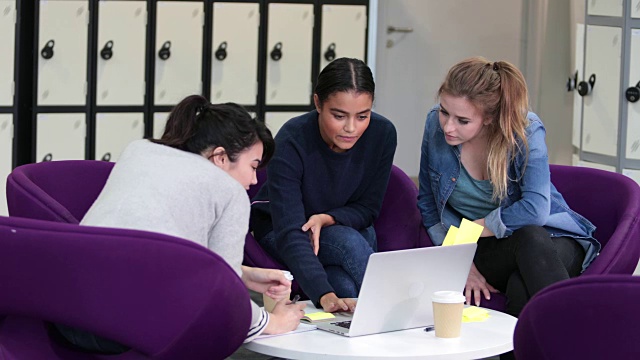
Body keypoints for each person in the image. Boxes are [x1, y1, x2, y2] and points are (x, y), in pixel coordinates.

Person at [56, 95, 306, 354]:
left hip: (65, 311)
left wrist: (245, 276)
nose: (255, 180)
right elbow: (225, 298)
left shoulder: (139, 151)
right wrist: (274, 322)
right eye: (253, 166)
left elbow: (164, 252)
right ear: (220, 157)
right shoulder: (229, 191)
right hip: (121, 328)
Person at [418, 57, 601, 319]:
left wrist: (470, 230)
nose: (448, 126)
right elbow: (427, 203)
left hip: (552, 238)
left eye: (462, 120)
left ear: (489, 118)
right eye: (444, 112)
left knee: (523, 274)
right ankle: (582, 344)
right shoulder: (434, 125)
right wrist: (459, 261)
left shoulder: (525, 130)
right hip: (486, 248)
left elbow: (535, 211)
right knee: (527, 247)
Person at [250, 57, 397, 312]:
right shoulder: (292, 139)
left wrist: (327, 218)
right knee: (348, 245)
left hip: (340, 227)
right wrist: (323, 294)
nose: (351, 128)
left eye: (362, 116)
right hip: (282, 229)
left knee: (345, 287)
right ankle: (399, 313)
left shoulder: (382, 134)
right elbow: (290, 232)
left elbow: (368, 209)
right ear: (318, 103)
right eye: (338, 116)